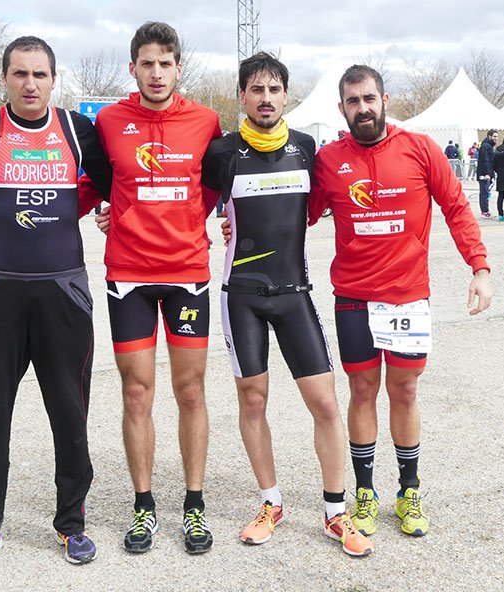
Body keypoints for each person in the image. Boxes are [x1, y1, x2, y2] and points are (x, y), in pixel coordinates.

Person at [0, 36, 112, 577]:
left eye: (39, 74)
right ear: (5, 79)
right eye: (19, 74)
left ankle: (71, 525)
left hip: (64, 294)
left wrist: (107, 214)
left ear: (54, 79)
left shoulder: (78, 131)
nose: (29, 84)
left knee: (70, 415)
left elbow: (116, 190)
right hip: (0, 294)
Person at [308, 64, 492, 541]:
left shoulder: (420, 148)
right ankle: (365, 493)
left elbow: (456, 207)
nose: (362, 108)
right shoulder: (329, 160)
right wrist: (236, 226)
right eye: (353, 101)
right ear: (342, 108)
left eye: (369, 98)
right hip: (352, 298)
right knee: (362, 391)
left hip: (407, 297)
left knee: (405, 392)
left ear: (385, 100)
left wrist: (480, 268)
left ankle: (408, 491)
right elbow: (296, 213)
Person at [202, 52, 372, 557]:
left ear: (285, 96)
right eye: (257, 90)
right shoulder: (223, 152)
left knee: (324, 403)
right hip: (243, 297)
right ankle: (270, 502)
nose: (266, 98)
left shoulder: (305, 148)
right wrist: (111, 217)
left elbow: (325, 202)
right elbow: (186, 206)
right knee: (253, 401)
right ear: (242, 97)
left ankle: (335, 514)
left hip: (294, 294)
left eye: (275, 89)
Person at [81, 21, 222, 555]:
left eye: (166, 62)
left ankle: (194, 506)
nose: (156, 72)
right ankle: (144, 507)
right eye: (147, 62)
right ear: (133, 68)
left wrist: (189, 220)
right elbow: (96, 181)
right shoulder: (111, 121)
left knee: (190, 390)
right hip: (129, 277)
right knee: (136, 392)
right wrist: (108, 211)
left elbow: (212, 187)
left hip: (187, 272)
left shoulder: (206, 121)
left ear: (178, 67)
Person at [476, 129, 498, 218]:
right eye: (494, 136)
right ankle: (484, 211)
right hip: (484, 174)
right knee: (484, 192)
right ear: (489, 136)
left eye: (497, 136)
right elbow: (486, 161)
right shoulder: (486, 146)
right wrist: (487, 173)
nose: (496, 138)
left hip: (486, 173)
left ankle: (485, 209)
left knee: (486, 192)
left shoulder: (488, 146)